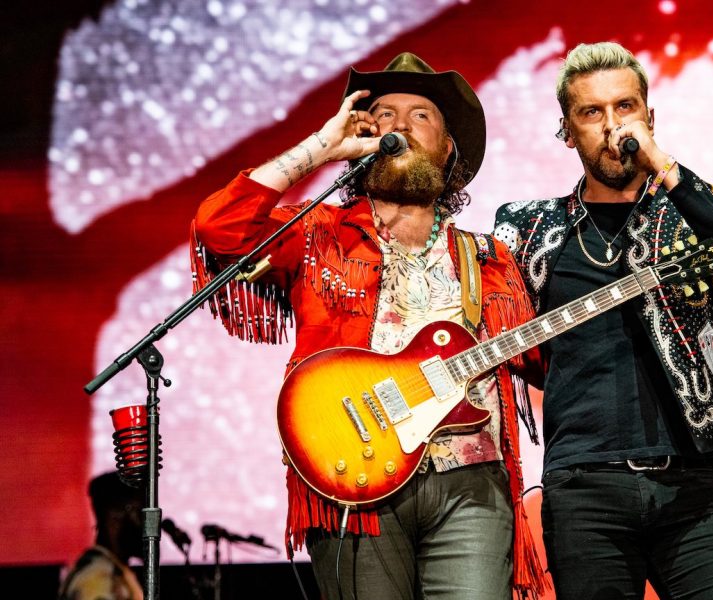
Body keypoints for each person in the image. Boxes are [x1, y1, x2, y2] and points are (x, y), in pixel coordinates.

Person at [191, 53, 545, 599]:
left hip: (473, 488)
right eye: (383, 113)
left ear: (449, 147)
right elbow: (219, 229)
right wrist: (319, 150)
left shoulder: (490, 258)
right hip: (355, 483)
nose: (400, 125)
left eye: (420, 114)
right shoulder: (318, 233)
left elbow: (548, 364)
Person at [493, 42, 713, 599]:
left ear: (649, 117)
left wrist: (664, 166)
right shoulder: (527, 230)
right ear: (567, 132)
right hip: (584, 489)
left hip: (693, 486)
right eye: (591, 113)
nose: (611, 125)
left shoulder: (696, 210)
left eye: (625, 107)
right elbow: (505, 341)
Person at [59, 471, 144, 600]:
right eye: (140, 515)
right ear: (115, 516)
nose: (148, 527)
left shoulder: (113, 571)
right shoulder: (98, 578)